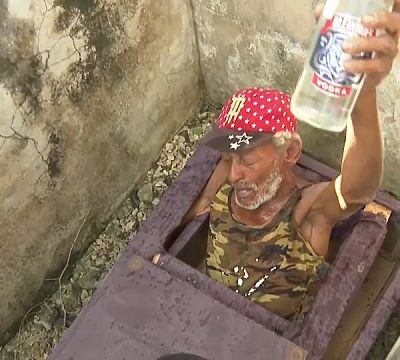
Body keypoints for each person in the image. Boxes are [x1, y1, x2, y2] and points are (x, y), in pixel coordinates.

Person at [183, 3, 400, 320]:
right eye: (228, 159)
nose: (233, 175)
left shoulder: (307, 212)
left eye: (247, 160)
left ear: (289, 153)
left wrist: (362, 92)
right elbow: (198, 209)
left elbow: (355, 190)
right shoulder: (229, 176)